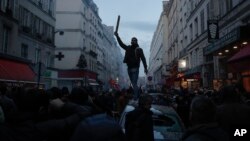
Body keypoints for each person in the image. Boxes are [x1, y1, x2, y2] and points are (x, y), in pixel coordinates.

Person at [114, 31, 148, 100]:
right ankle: (137, 95)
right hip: (130, 68)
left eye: (134, 40)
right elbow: (121, 44)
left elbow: (143, 59)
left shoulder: (138, 49)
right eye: (132, 40)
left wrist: (145, 68)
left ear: (136, 42)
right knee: (133, 83)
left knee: (134, 83)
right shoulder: (129, 48)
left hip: (134, 68)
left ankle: (136, 96)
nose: (133, 41)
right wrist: (117, 36)